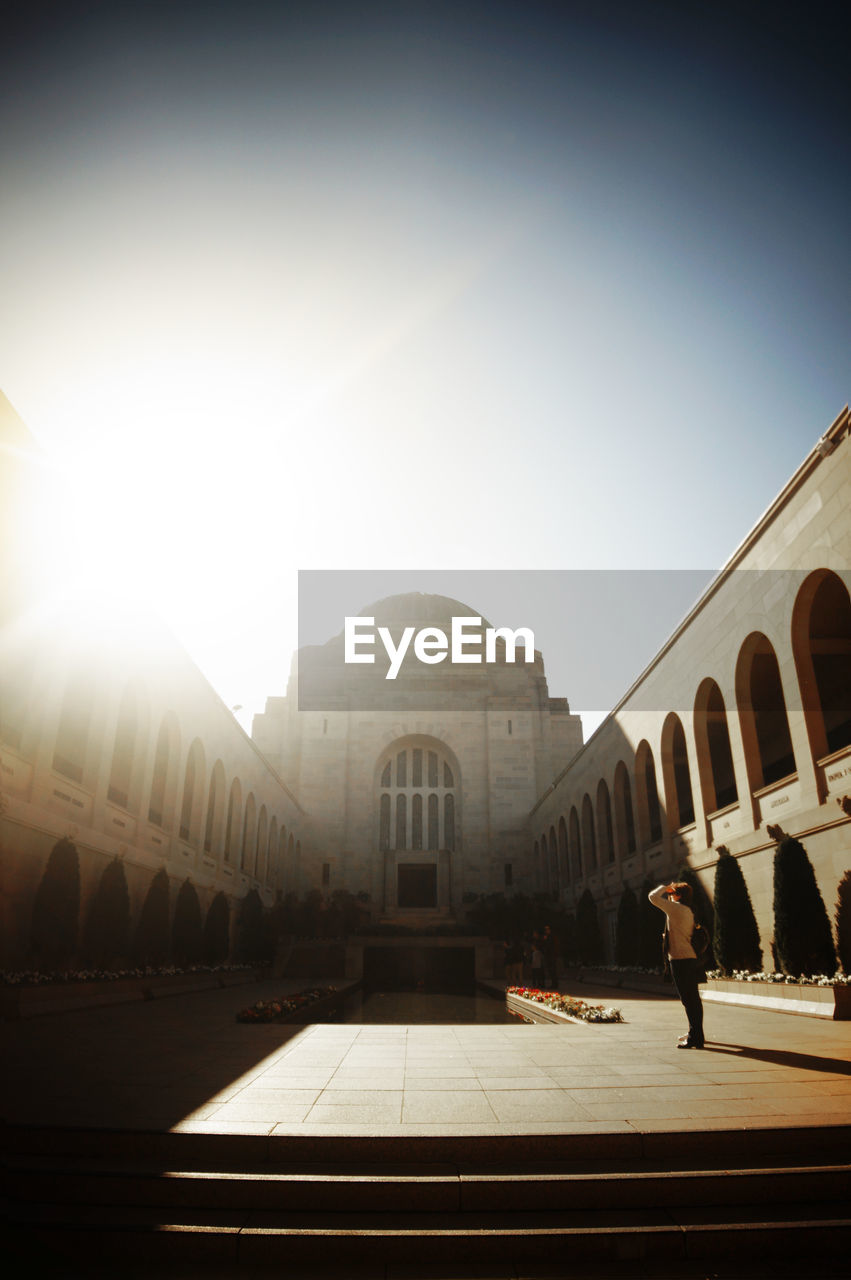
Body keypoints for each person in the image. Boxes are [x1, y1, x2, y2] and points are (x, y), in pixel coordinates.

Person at [649, 881, 705, 1049]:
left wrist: (665, 887)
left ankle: (695, 1037)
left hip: (681, 959)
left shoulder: (677, 909)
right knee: (692, 999)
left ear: (678, 895)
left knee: (689, 1000)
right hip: (689, 958)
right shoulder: (687, 909)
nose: (670, 897)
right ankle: (695, 1033)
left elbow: (652, 897)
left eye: (672, 894)